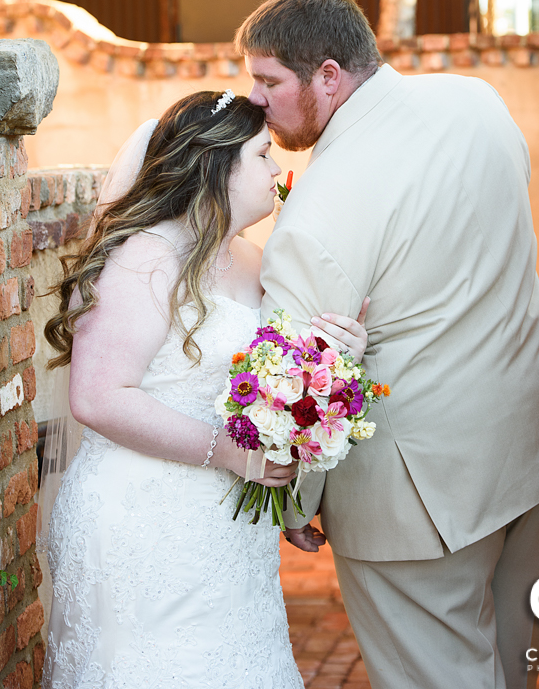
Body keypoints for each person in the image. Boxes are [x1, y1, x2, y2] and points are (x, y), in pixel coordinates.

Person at [235, 0, 539, 689]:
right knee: (512, 662)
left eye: (267, 80)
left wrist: (298, 499)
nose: (254, 99)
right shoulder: (476, 99)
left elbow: (300, 382)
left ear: (329, 77)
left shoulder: (312, 218)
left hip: (421, 490)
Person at [41, 90, 368, 689]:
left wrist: (334, 355)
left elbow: (268, 381)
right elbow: (97, 397)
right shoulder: (146, 258)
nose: (276, 170)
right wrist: (224, 451)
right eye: (263, 155)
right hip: (144, 522)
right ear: (218, 165)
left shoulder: (249, 259)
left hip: (227, 531)